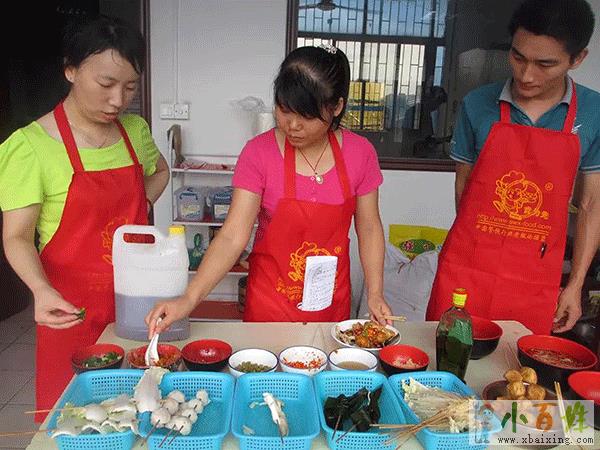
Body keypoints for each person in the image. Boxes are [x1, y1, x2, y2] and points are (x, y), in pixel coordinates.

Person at [147, 45, 392, 336]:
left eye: (307, 116)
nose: (293, 125)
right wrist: (189, 298)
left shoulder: (360, 153)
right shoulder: (259, 153)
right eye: (284, 110)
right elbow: (232, 236)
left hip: (329, 306)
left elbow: (369, 227)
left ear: (336, 107)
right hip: (269, 306)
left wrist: (375, 293)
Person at [0, 16, 169, 421]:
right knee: (76, 418)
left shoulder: (134, 131)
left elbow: (160, 171)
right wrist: (40, 290)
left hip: (136, 300)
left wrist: (137, 207)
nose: (118, 100)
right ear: (70, 70)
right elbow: (17, 236)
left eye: (130, 87)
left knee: (144, 407)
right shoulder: (30, 146)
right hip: (70, 308)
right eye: (106, 84)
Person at [427, 0, 600, 335]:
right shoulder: (478, 104)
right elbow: (465, 189)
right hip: (468, 269)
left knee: (519, 362)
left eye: (545, 64)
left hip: (535, 277)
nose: (526, 75)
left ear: (578, 58)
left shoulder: (594, 113)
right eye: (518, 57)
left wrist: (575, 284)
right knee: (450, 352)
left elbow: (592, 205)